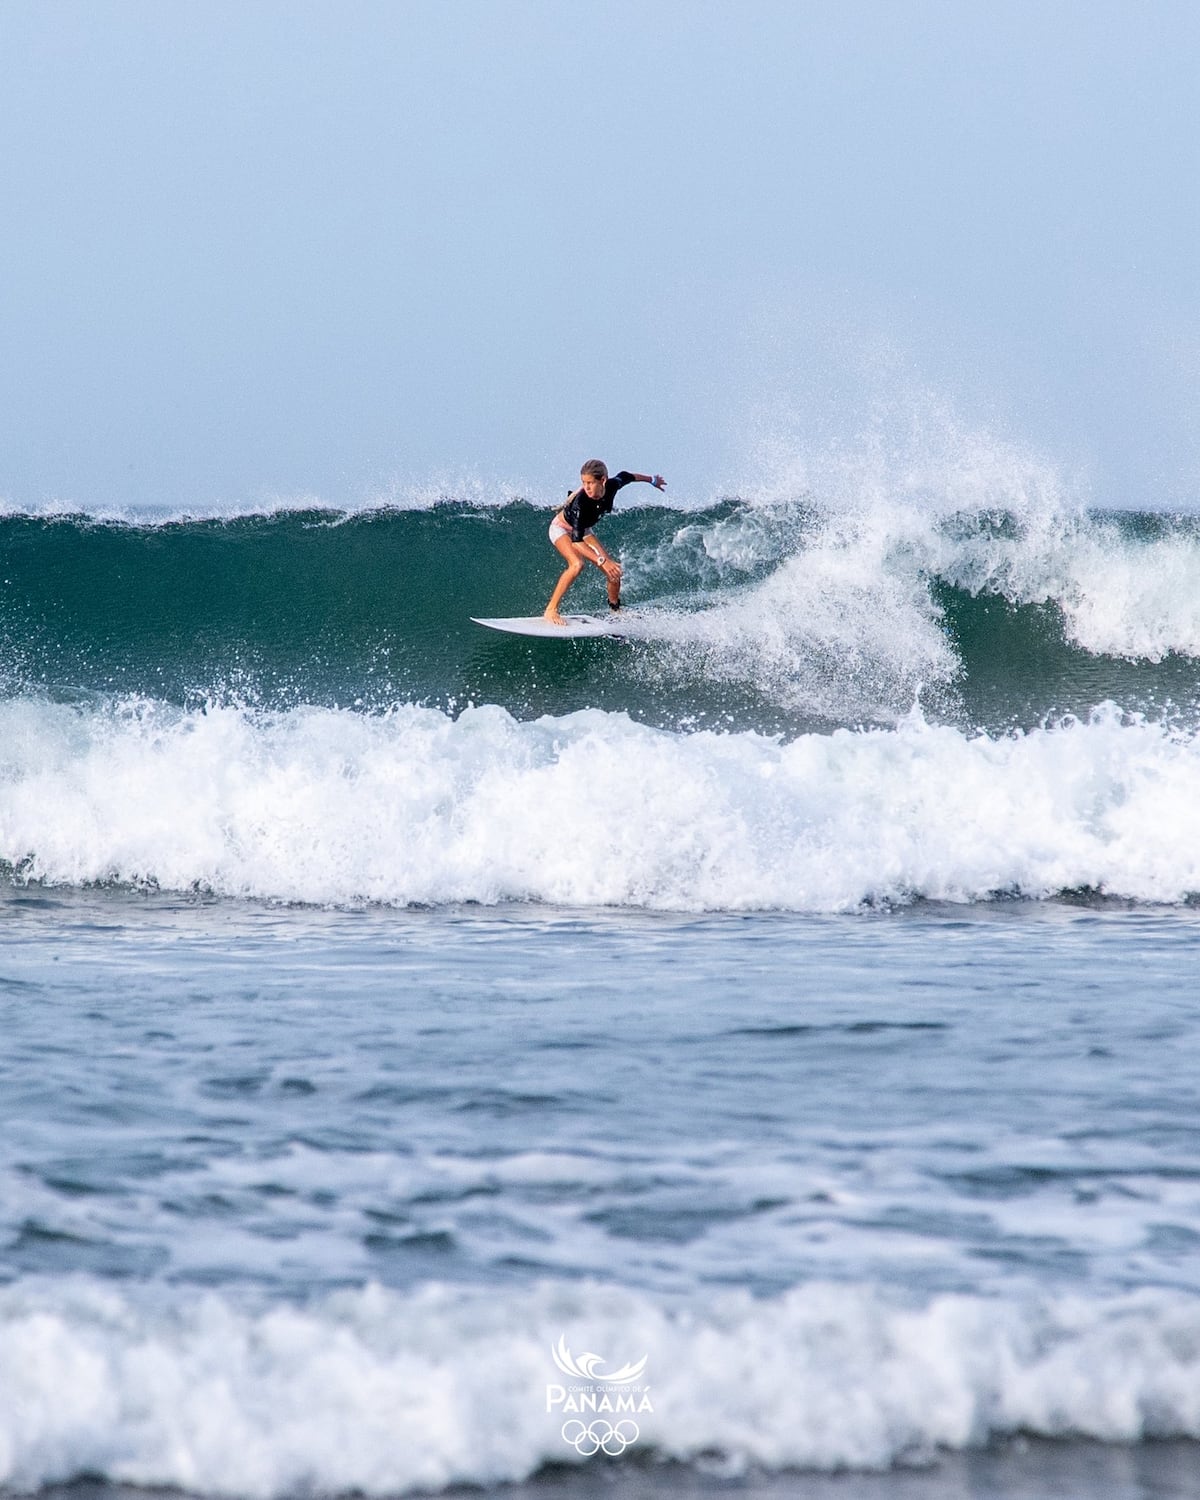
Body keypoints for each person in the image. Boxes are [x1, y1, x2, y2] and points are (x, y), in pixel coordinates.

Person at [543, 460, 666, 625]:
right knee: (577, 564)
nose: (586, 487)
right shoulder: (581, 503)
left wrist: (652, 480)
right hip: (562, 529)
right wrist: (602, 560)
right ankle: (551, 610)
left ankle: (615, 609)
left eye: (590, 483)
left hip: (585, 531)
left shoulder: (612, 485)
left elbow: (627, 476)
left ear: (603, 480)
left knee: (613, 572)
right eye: (583, 483)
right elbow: (577, 542)